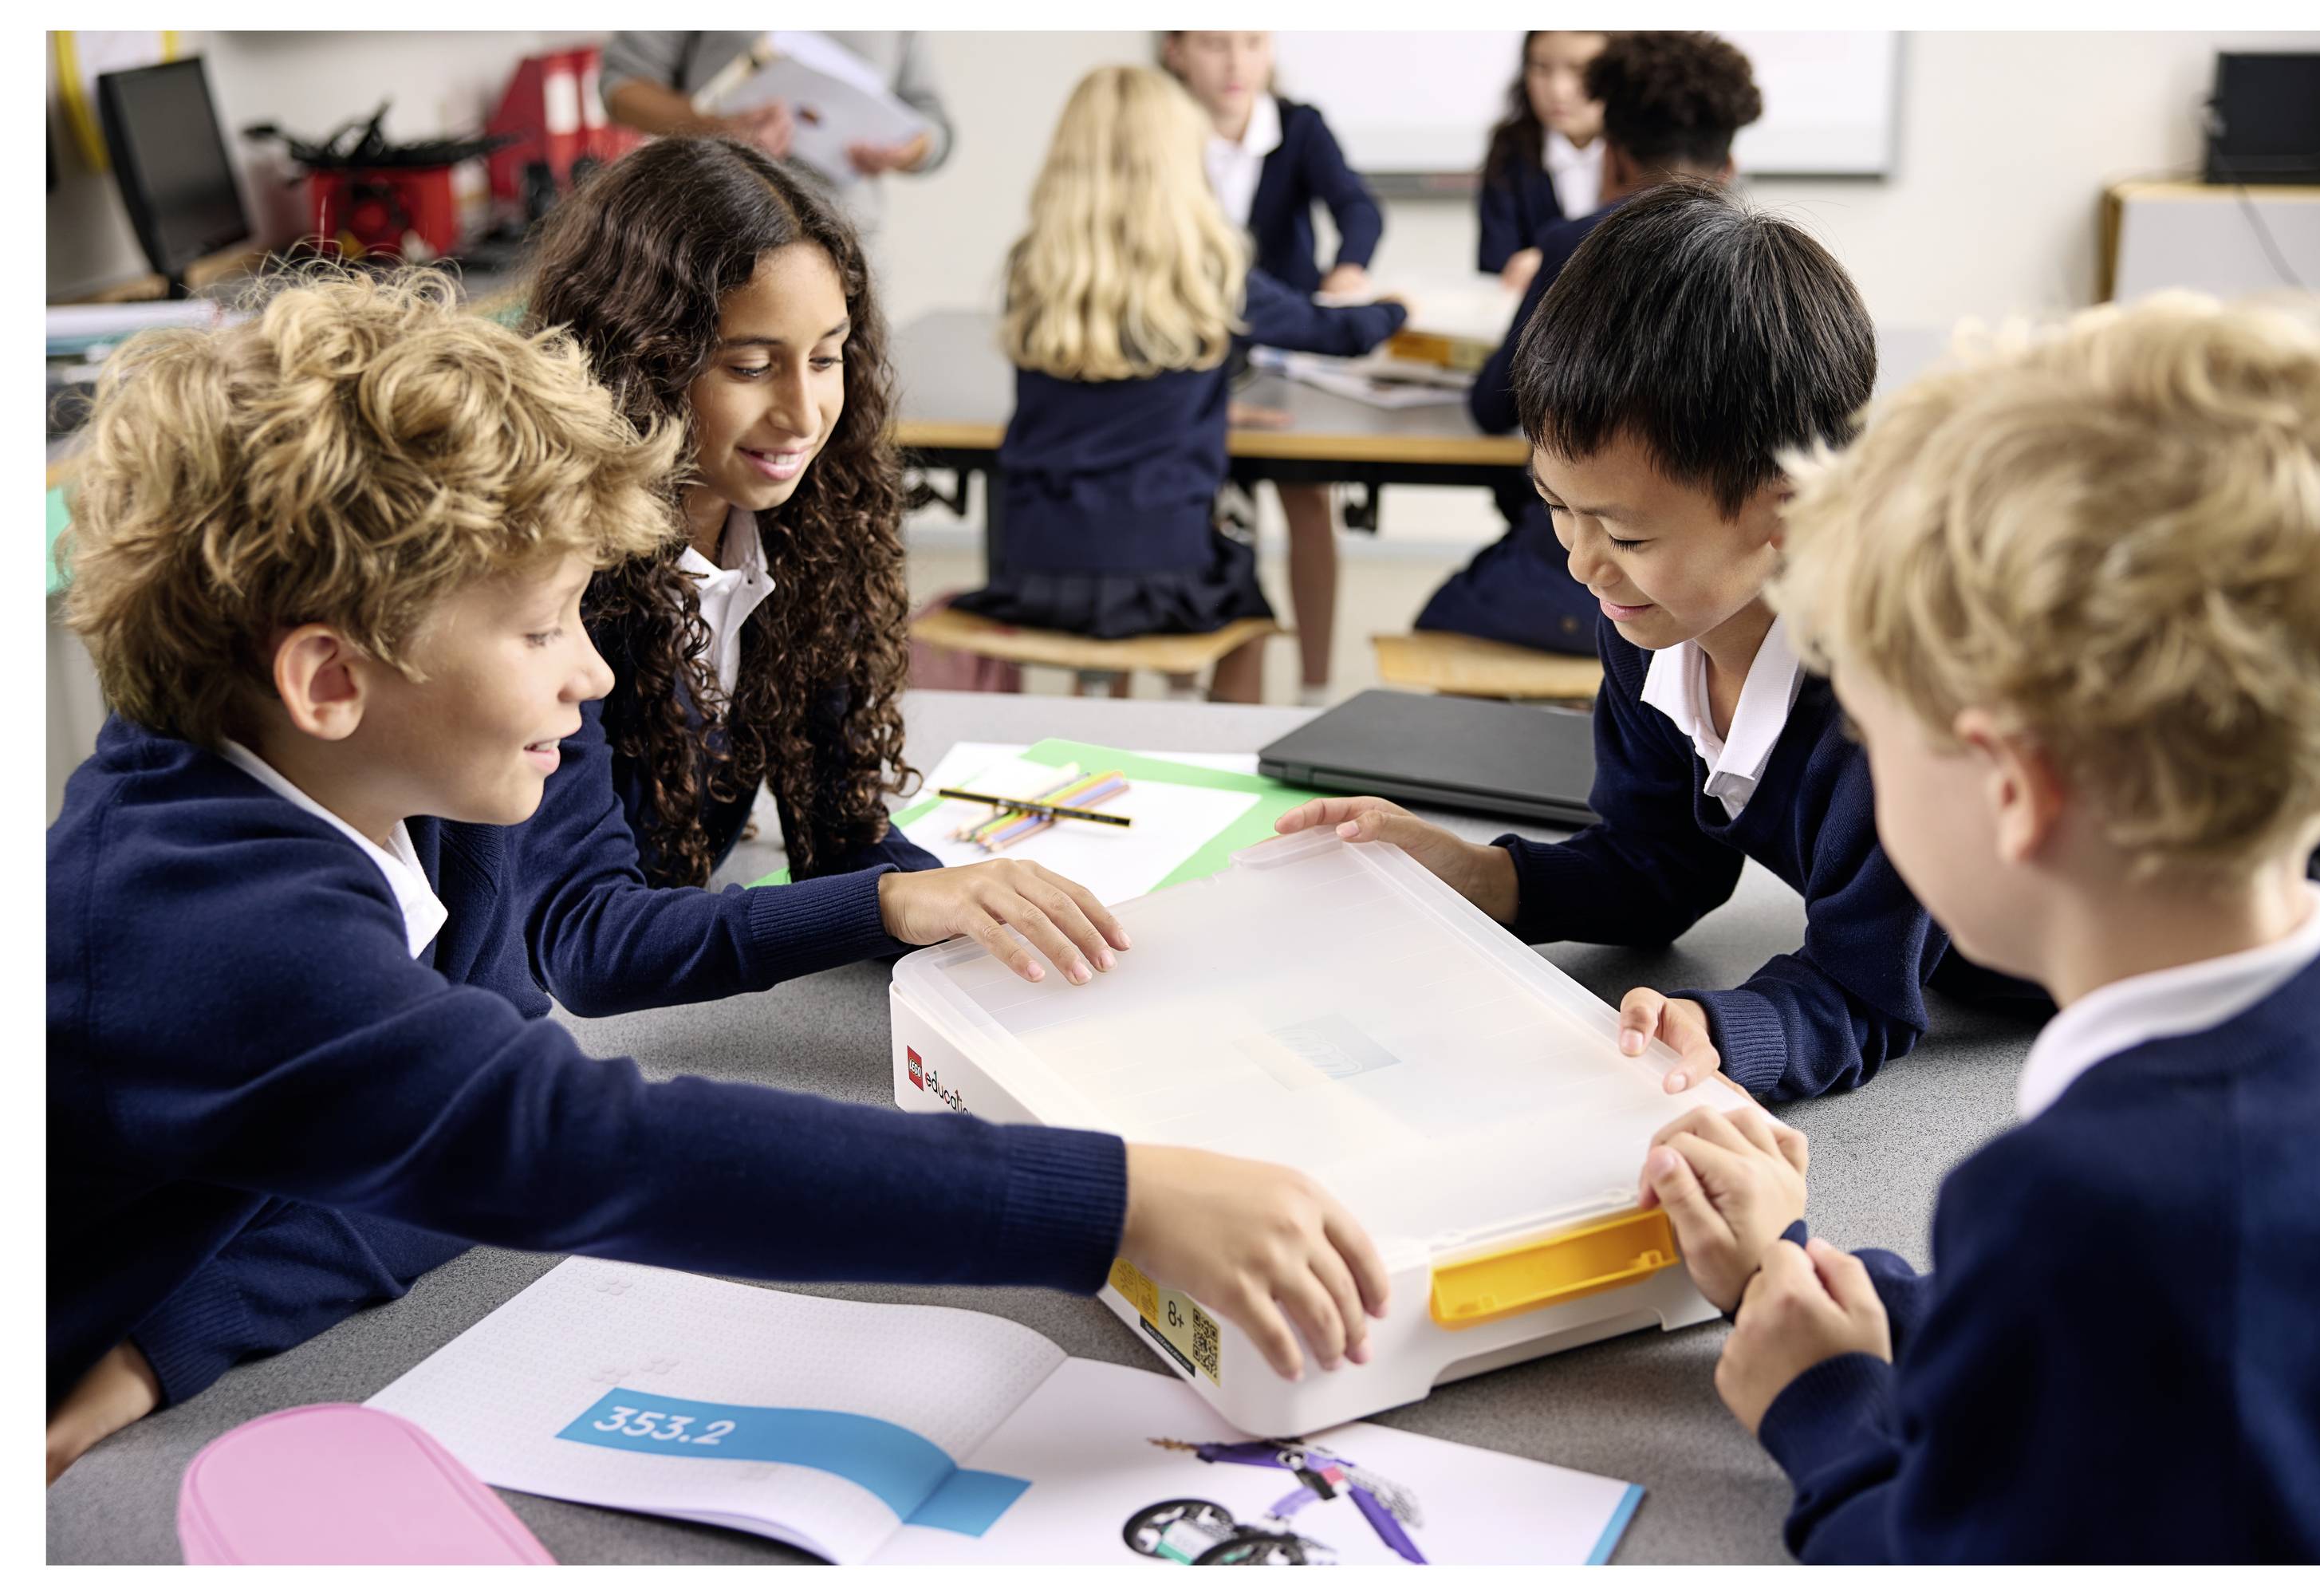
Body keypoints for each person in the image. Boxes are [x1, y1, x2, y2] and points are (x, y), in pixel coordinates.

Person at [45, 267, 1389, 1481]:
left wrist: (175, 1337)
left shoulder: (406, 798)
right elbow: (574, 1147)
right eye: (538, 626)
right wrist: (1116, 1203)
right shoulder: (202, 913)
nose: (595, 670)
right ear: (333, 678)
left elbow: (442, 1158)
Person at [1641, 293, 2320, 1561]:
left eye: (1872, 722)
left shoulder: (2074, 1205)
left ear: (2008, 788)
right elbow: (2152, 1361)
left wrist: (1822, 1403)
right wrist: (1812, 1275)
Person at [1282, 179, 2009, 1103]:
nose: (1585, 565)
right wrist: (1485, 876)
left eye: (1625, 535)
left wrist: (1720, 1028)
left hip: (2075, 999)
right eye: (1555, 509)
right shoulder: (1657, 622)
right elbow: (1656, 865)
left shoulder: (1899, 693)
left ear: (1785, 508)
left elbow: (1862, 995)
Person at [513, 136, 1129, 1005]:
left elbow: (843, 842)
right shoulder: (544, 582)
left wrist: (978, 908)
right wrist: (889, 903)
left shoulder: (803, 535)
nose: (805, 414)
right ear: (639, 361)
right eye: (751, 367)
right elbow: (588, 941)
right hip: (527, 1031)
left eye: (828, 357)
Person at [950, 66, 1405, 704]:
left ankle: (1101, 738)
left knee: (1110, 587)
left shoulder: (1034, 266)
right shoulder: (1211, 268)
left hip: (1032, 570)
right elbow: (1338, 333)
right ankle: (1218, 762)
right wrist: (1393, 308)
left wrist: (1204, 410)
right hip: (1162, 570)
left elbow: (1104, 401)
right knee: (1251, 617)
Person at [1421, 31, 1763, 657]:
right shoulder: (1766, 267)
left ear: (1613, 158)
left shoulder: (1572, 245)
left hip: (1582, 577)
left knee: (1438, 618)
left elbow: (1491, 406)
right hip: (1722, 589)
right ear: (1729, 169)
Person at [1163, 29, 1386, 705]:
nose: (1236, 63)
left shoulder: (1299, 126)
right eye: (1213, 44)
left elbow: (1357, 207)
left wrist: (1349, 266)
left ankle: (1314, 687)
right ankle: (1182, 681)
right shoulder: (1161, 124)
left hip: (1286, 340)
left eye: (1252, 43)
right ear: (1175, 50)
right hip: (1187, 351)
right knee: (1192, 502)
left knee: (1306, 500)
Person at [599, 31, 951, 234]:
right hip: (713, 228)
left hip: (846, 238)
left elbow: (934, 125)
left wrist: (907, 150)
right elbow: (621, 87)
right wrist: (717, 127)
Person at [1476, 30, 1609, 289]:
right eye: (1541, 68)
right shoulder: (1510, 149)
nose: (1558, 90)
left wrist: (1554, 260)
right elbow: (1495, 262)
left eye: (1581, 69)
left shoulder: (1647, 148)